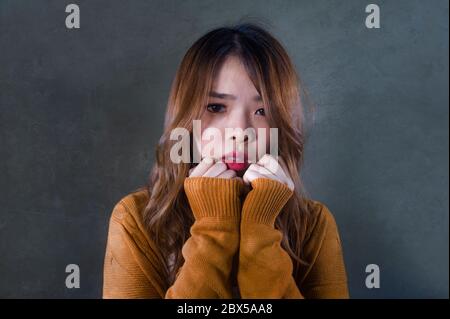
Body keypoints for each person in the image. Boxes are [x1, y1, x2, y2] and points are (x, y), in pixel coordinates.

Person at [103, 23, 349, 299]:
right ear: (185, 119)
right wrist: (214, 227)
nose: (241, 132)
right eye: (216, 107)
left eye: (262, 110)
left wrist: (260, 230)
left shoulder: (314, 225)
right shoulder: (136, 219)